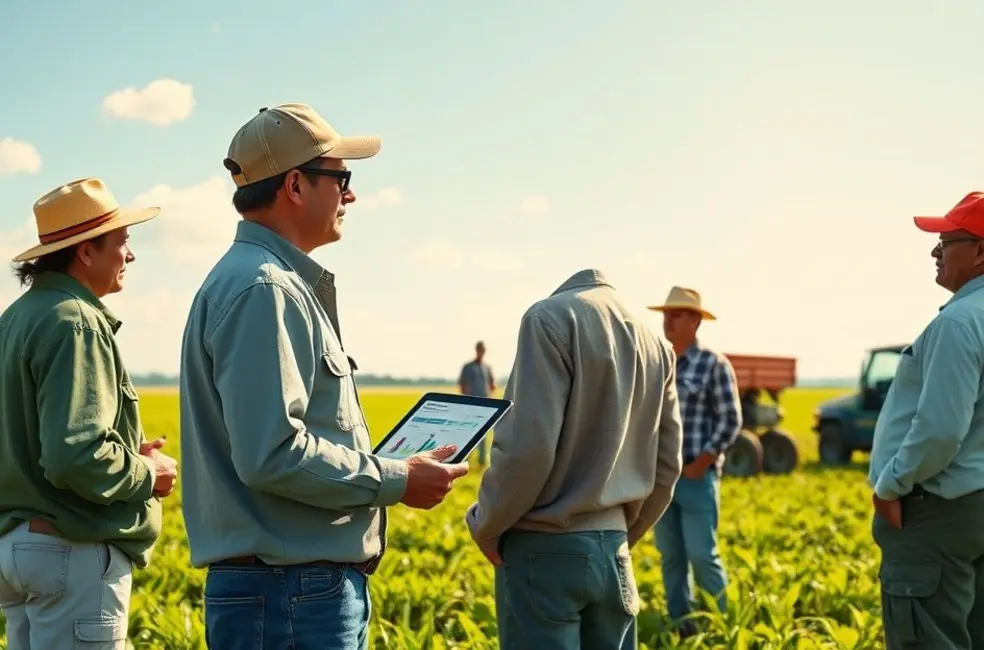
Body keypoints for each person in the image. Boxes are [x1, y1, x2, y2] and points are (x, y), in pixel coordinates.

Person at [178, 102, 470, 649]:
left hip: (284, 590)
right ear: (294, 185)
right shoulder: (265, 289)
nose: (350, 195)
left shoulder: (255, 282)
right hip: (291, 593)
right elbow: (273, 452)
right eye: (341, 178)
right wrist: (398, 478)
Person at [0, 177, 177, 649]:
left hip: (17, 549)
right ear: (85, 251)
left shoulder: (15, 318)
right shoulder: (76, 319)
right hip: (69, 550)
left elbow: (34, 441)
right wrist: (148, 472)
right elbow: (72, 456)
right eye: (122, 242)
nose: (130, 254)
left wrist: (123, 450)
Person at [465, 268, 684, 649]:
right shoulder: (655, 343)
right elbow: (668, 467)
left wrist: (486, 523)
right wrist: (624, 533)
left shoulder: (548, 318)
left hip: (542, 549)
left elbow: (527, 451)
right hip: (615, 551)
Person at [869, 191, 984, 649]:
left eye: (946, 239)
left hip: (936, 510)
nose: (935, 250)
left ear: (980, 251)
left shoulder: (958, 323)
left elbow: (939, 429)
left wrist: (892, 483)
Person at [644, 286, 742, 639]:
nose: (668, 320)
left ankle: (722, 627)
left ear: (696, 321)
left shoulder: (714, 364)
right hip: (662, 479)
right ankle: (682, 626)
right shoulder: (657, 364)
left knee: (702, 555)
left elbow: (731, 420)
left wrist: (704, 460)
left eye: (678, 313)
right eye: (667, 313)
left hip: (697, 476)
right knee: (671, 557)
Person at [458, 340, 496, 465]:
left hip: (485, 405)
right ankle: (466, 458)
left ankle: (481, 459)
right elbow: (462, 385)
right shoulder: (468, 367)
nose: (481, 352)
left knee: (483, 432)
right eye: (480, 349)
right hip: (471, 405)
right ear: (476, 350)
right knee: (468, 431)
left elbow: (492, 385)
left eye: (483, 350)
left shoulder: (487, 367)